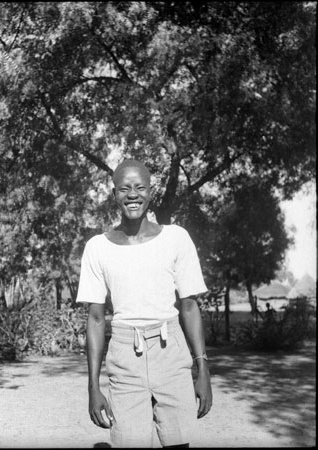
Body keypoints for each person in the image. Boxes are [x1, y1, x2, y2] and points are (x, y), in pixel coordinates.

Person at [76, 159, 212, 448]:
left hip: (170, 352)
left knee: (179, 443)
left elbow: (189, 307)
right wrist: (93, 387)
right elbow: (97, 318)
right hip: (125, 355)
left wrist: (203, 371)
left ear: (151, 192)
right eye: (124, 188)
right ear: (114, 194)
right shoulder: (97, 248)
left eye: (140, 187)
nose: (132, 194)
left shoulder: (176, 238)